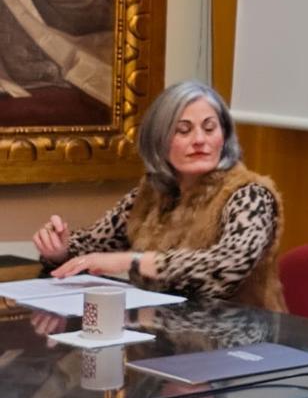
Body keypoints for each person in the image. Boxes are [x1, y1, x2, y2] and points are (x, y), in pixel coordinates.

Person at [33, 80, 286, 310]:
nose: (200, 140)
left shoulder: (250, 195)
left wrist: (132, 261)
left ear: (225, 137)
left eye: (210, 129)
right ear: (159, 140)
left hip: (240, 340)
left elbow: (225, 269)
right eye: (183, 130)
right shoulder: (149, 195)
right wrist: (60, 250)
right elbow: (92, 250)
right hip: (162, 334)